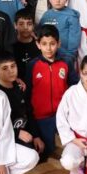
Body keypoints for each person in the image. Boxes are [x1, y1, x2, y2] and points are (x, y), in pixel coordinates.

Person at [25, 25, 72, 161]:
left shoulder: (66, 63)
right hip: (41, 118)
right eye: (44, 44)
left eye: (52, 44)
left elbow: (74, 88)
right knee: (44, 153)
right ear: (38, 45)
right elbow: (28, 96)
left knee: (69, 151)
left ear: (59, 43)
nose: (49, 48)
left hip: (63, 116)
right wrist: (34, 132)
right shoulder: (32, 65)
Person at [0, 52, 43, 151]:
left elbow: (29, 112)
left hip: (25, 132)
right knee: (31, 154)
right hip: (6, 137)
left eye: (13, 66)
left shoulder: (21, 87)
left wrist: (36, 135)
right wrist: (17, 133)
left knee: (42, 148)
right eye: (5, 68)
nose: (11, 71)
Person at [39, 0, 82, 80]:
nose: (58, 0)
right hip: (47, 54)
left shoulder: (71, 15)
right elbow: (40, 33)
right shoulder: (46, 15)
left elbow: (74, 37)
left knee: (65, 80)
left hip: (65, 55)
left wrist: (70, 55)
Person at [13, 8, 41, 83]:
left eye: (29, 24)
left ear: (34, 25)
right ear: (15, 25)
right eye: (21, 24)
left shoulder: (40, 46)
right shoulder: (10, 46)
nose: (25, 27)